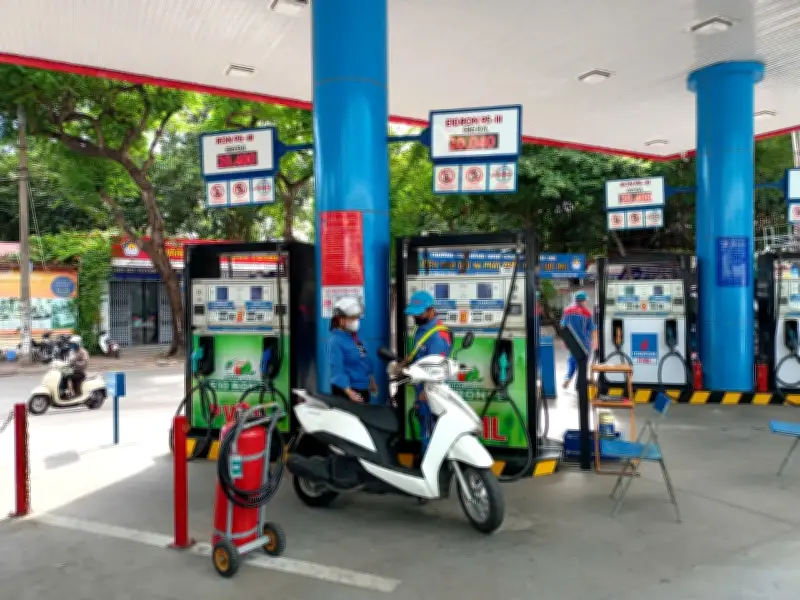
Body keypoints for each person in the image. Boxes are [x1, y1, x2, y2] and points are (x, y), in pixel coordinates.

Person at [400, 291, 452, 453]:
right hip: (421, 389)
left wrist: (426, 392)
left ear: (431, 310)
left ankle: (432, 465)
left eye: (419, 313)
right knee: (425, 429)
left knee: (431, 433)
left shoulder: (438, 336)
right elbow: (419, 353)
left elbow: (437, 370)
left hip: (431, 392)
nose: (415, 317)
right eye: (414, 314)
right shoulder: (422, 328)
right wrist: (405, 362)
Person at [328, 297, 377, 404]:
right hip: (347, 392)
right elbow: (337, 371)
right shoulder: (336, 341)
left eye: (357, 317)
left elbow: (365, 359)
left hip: (363, 388)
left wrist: (371, 380)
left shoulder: (356, 337)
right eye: (352, 318)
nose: (356, 321)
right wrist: (350, 392)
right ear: (341, 320)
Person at [560, 291, 597, 389]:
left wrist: (564, 341)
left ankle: (568, 377)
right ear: (583, 301)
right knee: (582, 364)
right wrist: (595, 341)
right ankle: (579, 385)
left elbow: (563, 326)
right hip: (584, 343)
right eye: (585, 301)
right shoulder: (587, 313)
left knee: (572, 359)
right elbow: (592, 328)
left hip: (572, 342)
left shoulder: (567, 311)